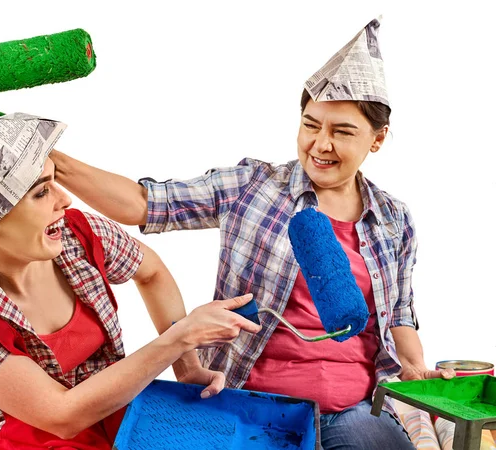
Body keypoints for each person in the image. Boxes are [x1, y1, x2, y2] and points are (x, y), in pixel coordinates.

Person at [48, 19, 456, 450]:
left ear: (377, 139)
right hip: (251, 404)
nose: (320, 144)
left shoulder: (394, 218)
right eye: (311, 124)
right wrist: (48, 155)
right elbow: (142, 203)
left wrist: (414, 368)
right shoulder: (253, 187)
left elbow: (399, 315)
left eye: (342, 132)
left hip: (352, 409)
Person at [0, 120, 261, 450]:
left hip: (119, 416)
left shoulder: (75, 236)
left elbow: (151, 273)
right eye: (41, 193)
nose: (65, 199)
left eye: (55, 181)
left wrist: (187, 366)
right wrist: (181, 336)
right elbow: (61, 416)